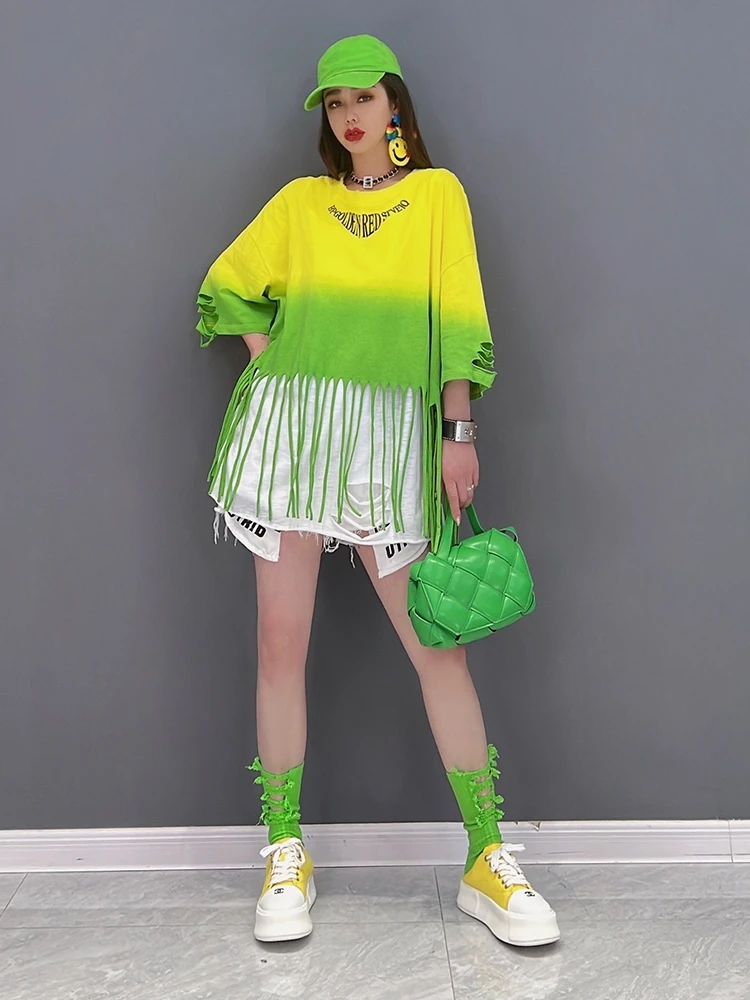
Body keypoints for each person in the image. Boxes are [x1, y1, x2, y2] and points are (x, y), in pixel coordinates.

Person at [195, 34, 560, 949]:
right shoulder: (300, 203)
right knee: (279, 642)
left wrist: (457, 430)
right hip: (295, 436)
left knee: (438, 648)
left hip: (391, 445)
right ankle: (285, 850)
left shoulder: (438, 198)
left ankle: (486, 855)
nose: (350, 115)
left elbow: (460, 318)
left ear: (395, 103)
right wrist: (274, 363)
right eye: (335, 102)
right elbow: (227, 287)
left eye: (363, 97)